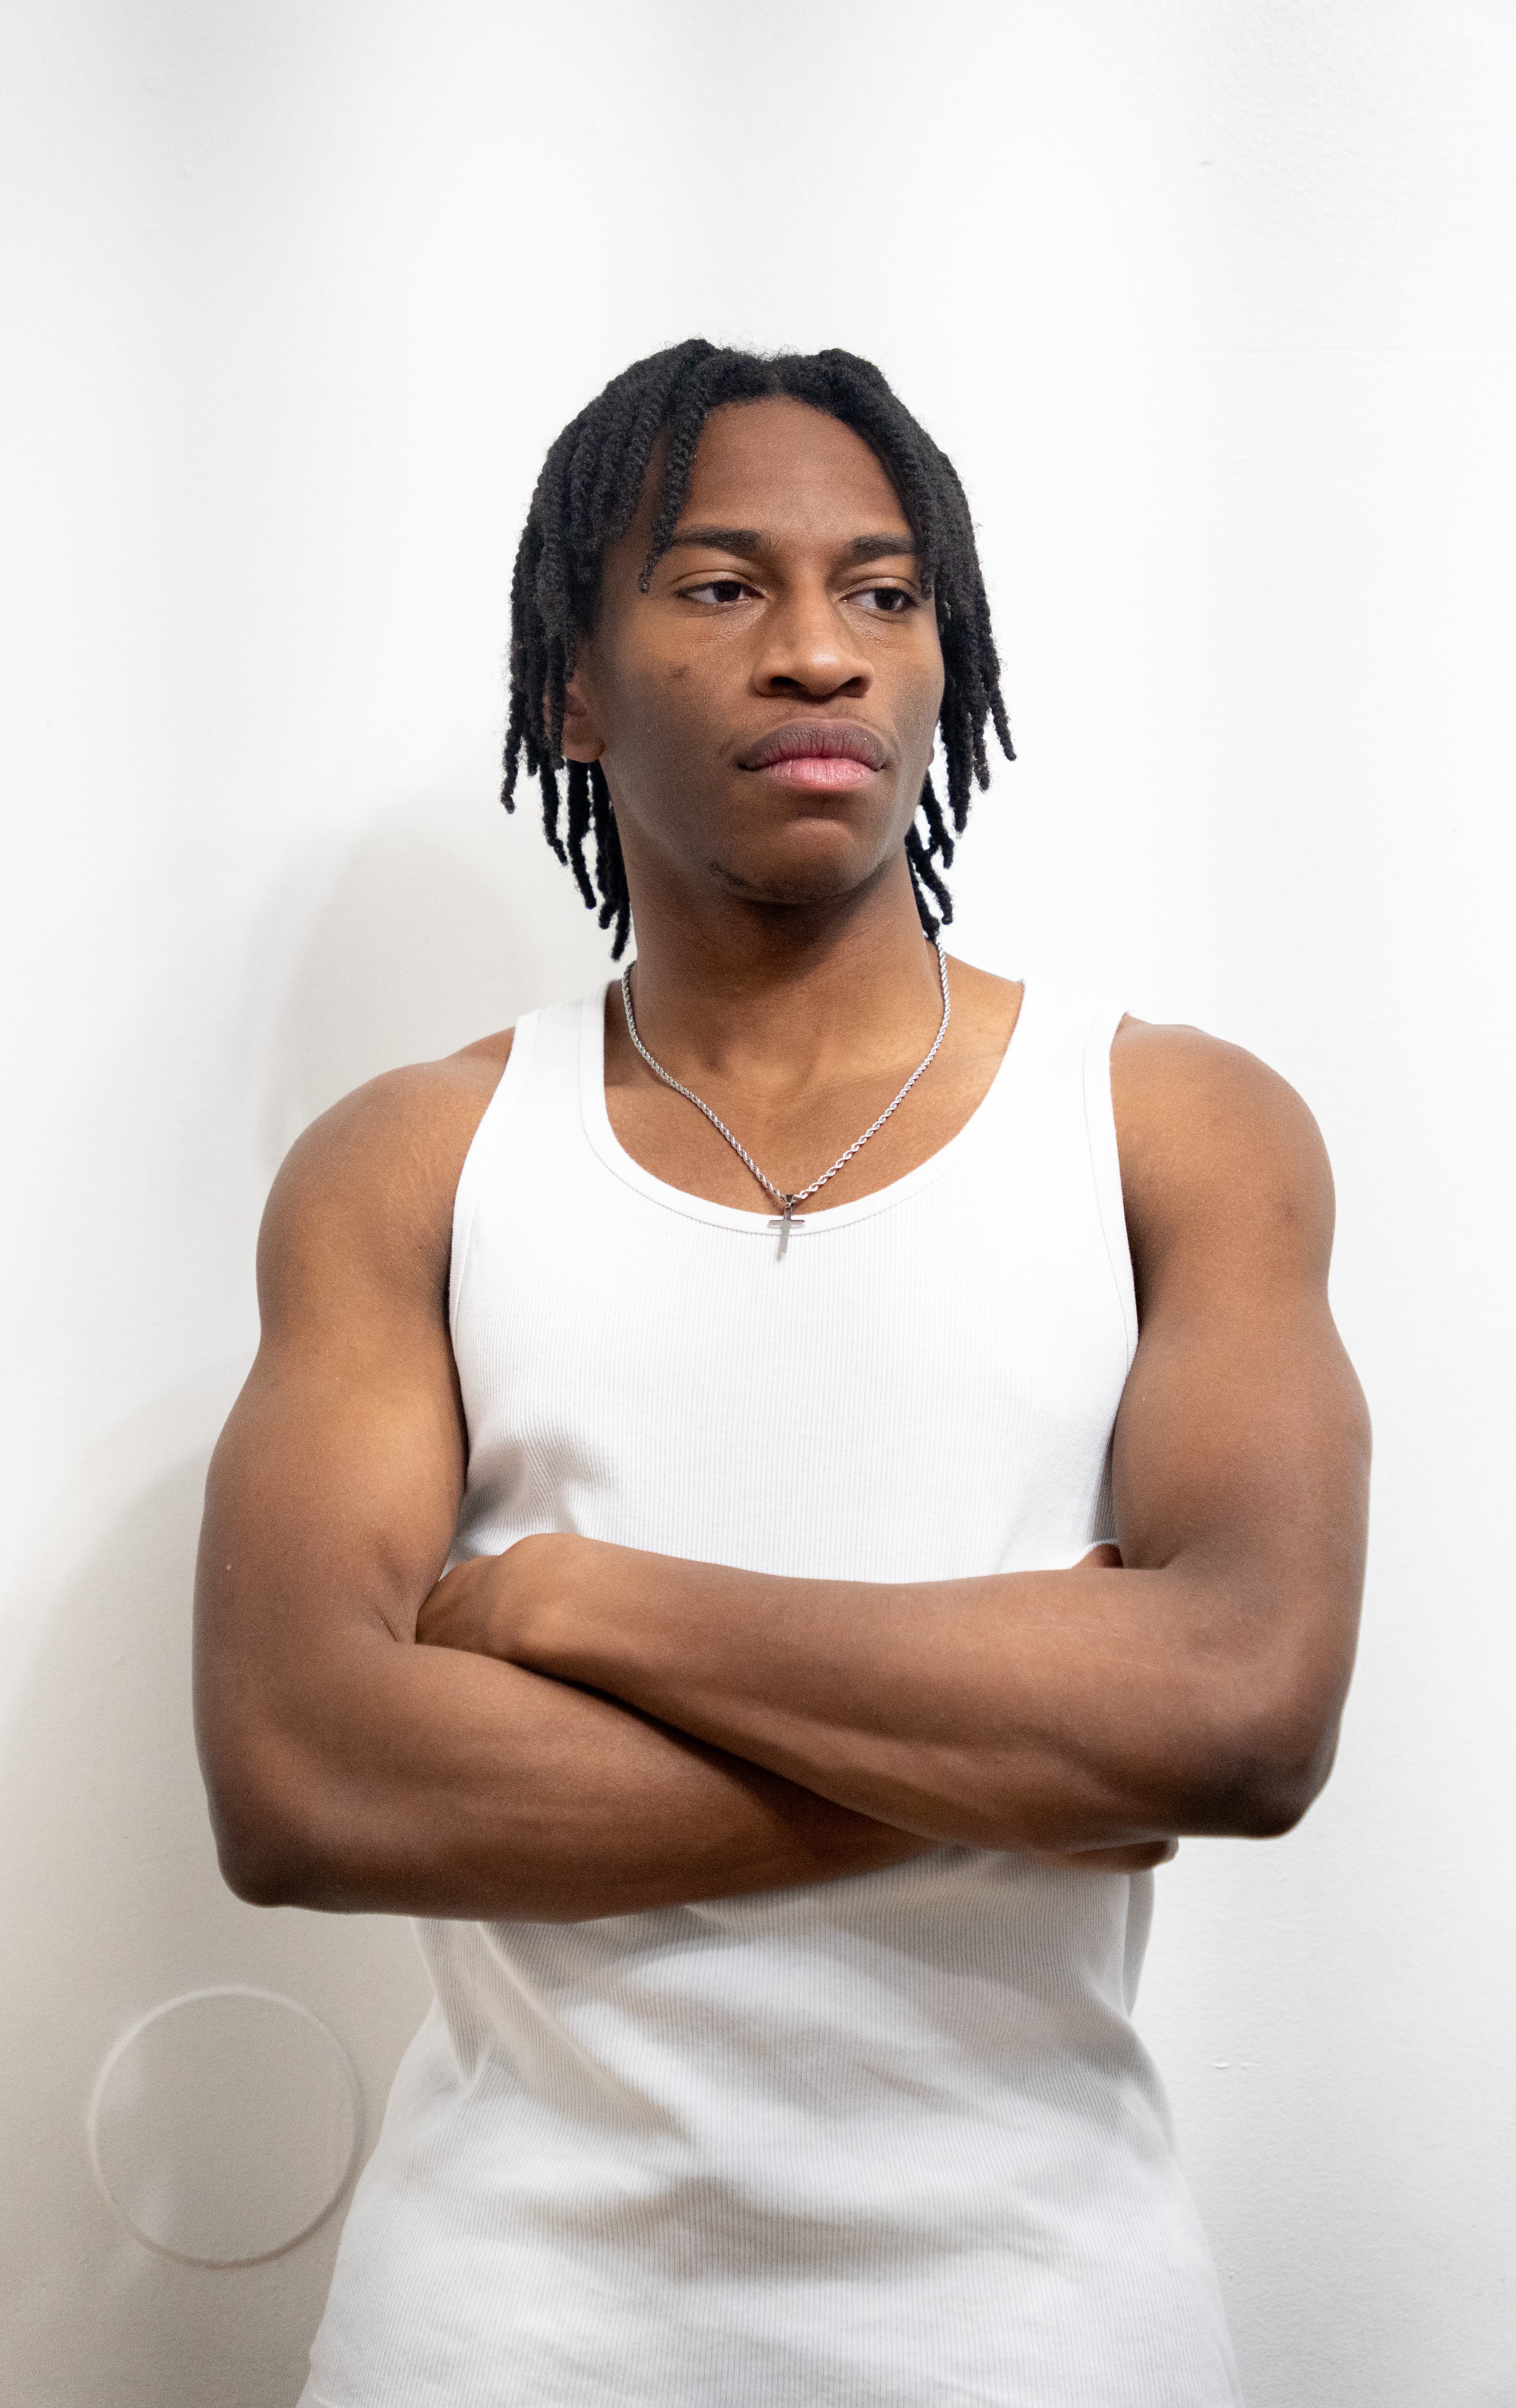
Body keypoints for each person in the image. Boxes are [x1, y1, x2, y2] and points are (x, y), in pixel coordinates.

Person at [194, 339, 1369, 2408]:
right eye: (723, 585)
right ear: (573, 680)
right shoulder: (414, 1161)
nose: (821, 651)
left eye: (887, 594)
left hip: (1046, 2328)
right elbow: (302, 1783)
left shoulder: (1176, 1125)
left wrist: (579, 1602)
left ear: (944, 662)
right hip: (502, 2333)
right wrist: (1034, 1756)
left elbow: (1242, 1719)